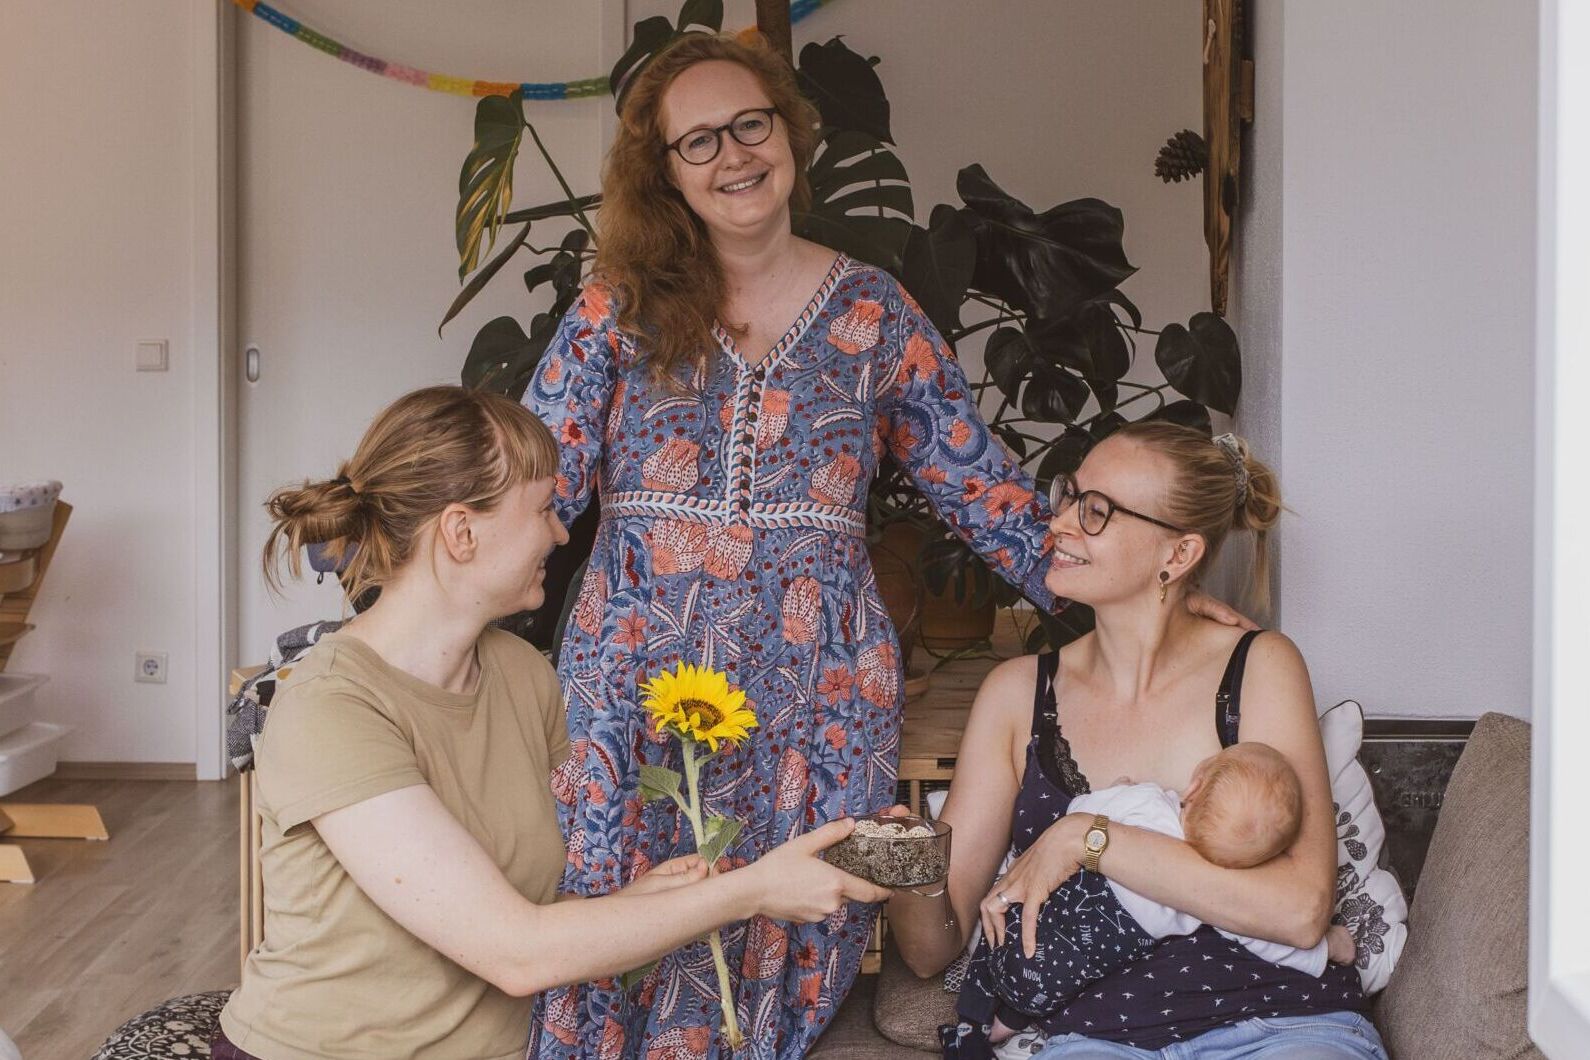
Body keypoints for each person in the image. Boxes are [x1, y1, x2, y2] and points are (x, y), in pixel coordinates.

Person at [214, 386, 891, 1060]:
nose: (561, 532)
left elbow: (505, 911)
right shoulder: (331, 708)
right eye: (542, 508)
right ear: (461, 532)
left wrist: (639, 903)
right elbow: (515, 951)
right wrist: (755, 890)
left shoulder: (521, 674)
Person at [887, 423, 1388, 1060]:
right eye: (1070, 496)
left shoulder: (1259, 667)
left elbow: (1299, 912)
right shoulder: (1016, 696)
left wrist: (1088, 839)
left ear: (1177, 555)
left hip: (1283, 1025)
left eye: (1096, 511)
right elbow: (929, 953)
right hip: (1098, 1043)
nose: (1059, 523)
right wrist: (909, 869)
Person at [979, 744, 1358, 1047]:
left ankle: (992, 1014)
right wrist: (1328, 947)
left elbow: (1080, 812)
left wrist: (1118, 790)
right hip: (1070, 973)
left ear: (1194, 787)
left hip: (1041, 918)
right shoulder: (1212, 898)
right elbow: (1269, 942)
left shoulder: (1147, 803)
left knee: (1028, 938)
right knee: (1059, 976)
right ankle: (1009, 1020)